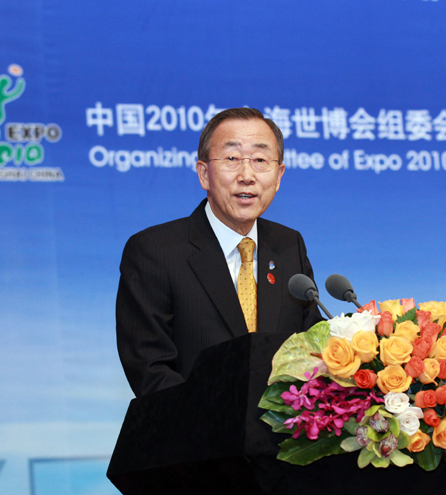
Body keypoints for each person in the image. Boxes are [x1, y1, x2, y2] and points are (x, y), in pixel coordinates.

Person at [116, 108, 322, 397]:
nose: (247, 175)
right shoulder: (155, 251)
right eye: (232, 159)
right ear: (204, 174)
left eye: (260, 160)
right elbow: (151, 371)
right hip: (192, 425)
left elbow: (312, 347)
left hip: (284, 426)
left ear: (278, 176)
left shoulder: (289, 245)